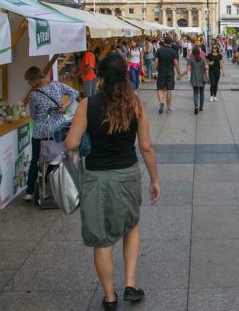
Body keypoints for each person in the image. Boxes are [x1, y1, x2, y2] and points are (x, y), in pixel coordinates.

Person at [63, 55, 160, 307]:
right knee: (131, 225)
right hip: (126, 175)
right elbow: (147, 147)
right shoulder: (135, 105)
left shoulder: (87, 104)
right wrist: (154, 179)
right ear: (126, 74)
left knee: (102, 239)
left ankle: (109, 298)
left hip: (96, 178)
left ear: (101, 76)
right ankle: (130, 284)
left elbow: (71, 143)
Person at [23, 66, 79, 200]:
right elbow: (75, 93)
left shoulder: (34, 95)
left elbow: (34, 116)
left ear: (35, 79)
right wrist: (65, 105)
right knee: (57, 159)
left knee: (36, 160)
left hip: (40, 133)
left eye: (29, 81)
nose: (29, 84)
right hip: (57, 131)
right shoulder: (57, 85)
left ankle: (30, 191)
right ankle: (56, 186)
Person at [153, 36, 180, 114]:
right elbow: (176, 63)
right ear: (171, 42)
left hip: (161, 72)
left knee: (160, 89)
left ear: (164, 41)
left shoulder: (159, 50)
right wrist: (179, 73)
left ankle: (161, 102)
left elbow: (156, 63)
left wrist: (154, 72)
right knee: (169, 90)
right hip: (170, 73)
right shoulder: (173, 51)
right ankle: (168, 108)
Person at [179, 46, 207, 114]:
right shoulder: (203, 59)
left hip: (194, 78)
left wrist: (180, 75)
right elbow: (206, 68)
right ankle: (201, 107)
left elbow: (187, 69)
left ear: (193, 52)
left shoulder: (191, 59)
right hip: (202, 78)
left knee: (195, 93)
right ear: (199, 52)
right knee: (202, 93)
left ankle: (196, 106)